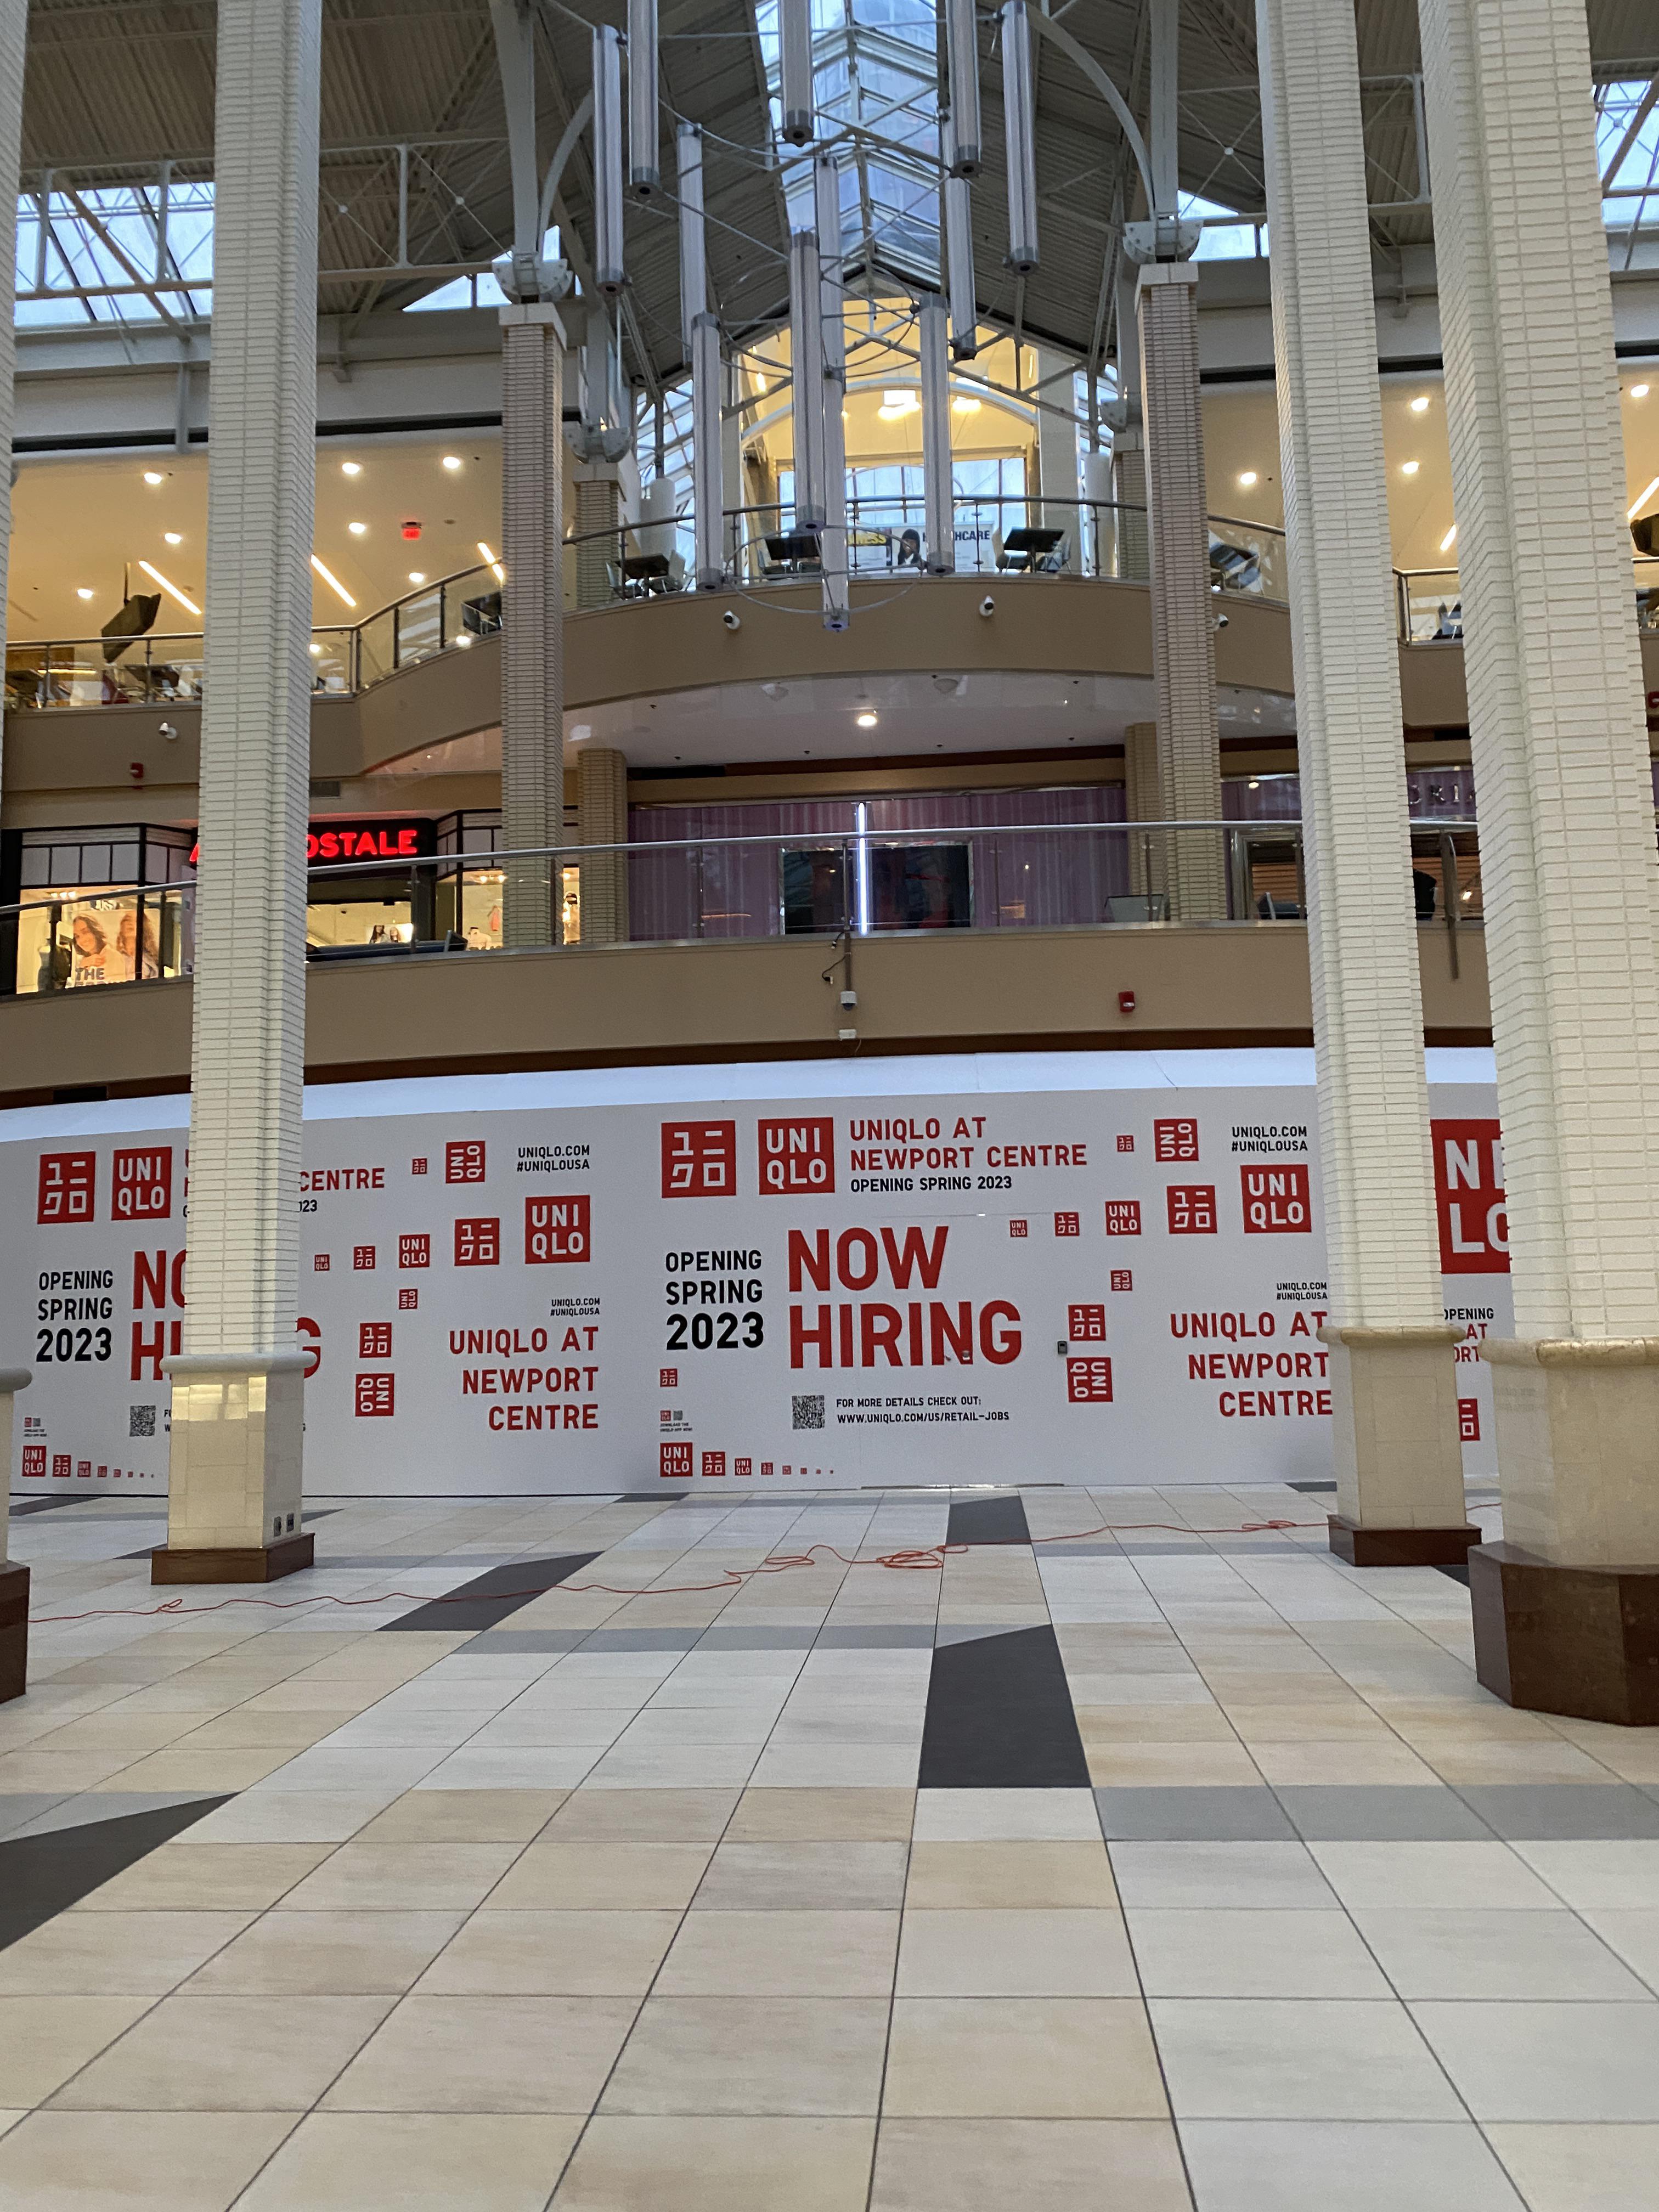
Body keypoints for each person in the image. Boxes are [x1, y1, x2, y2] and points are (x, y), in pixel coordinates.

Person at [115, 907, 160, 980]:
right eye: (127, 919)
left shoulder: (152, 960)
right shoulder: (113, 957)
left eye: (137, 921)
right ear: (121, 926)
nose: (131, 923)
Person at [69, 912, 111, 986]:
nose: (82, 940)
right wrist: (82, 966)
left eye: (85, 932)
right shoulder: (81, 962)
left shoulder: (113, 956)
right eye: (77, 936)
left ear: (95, 932)